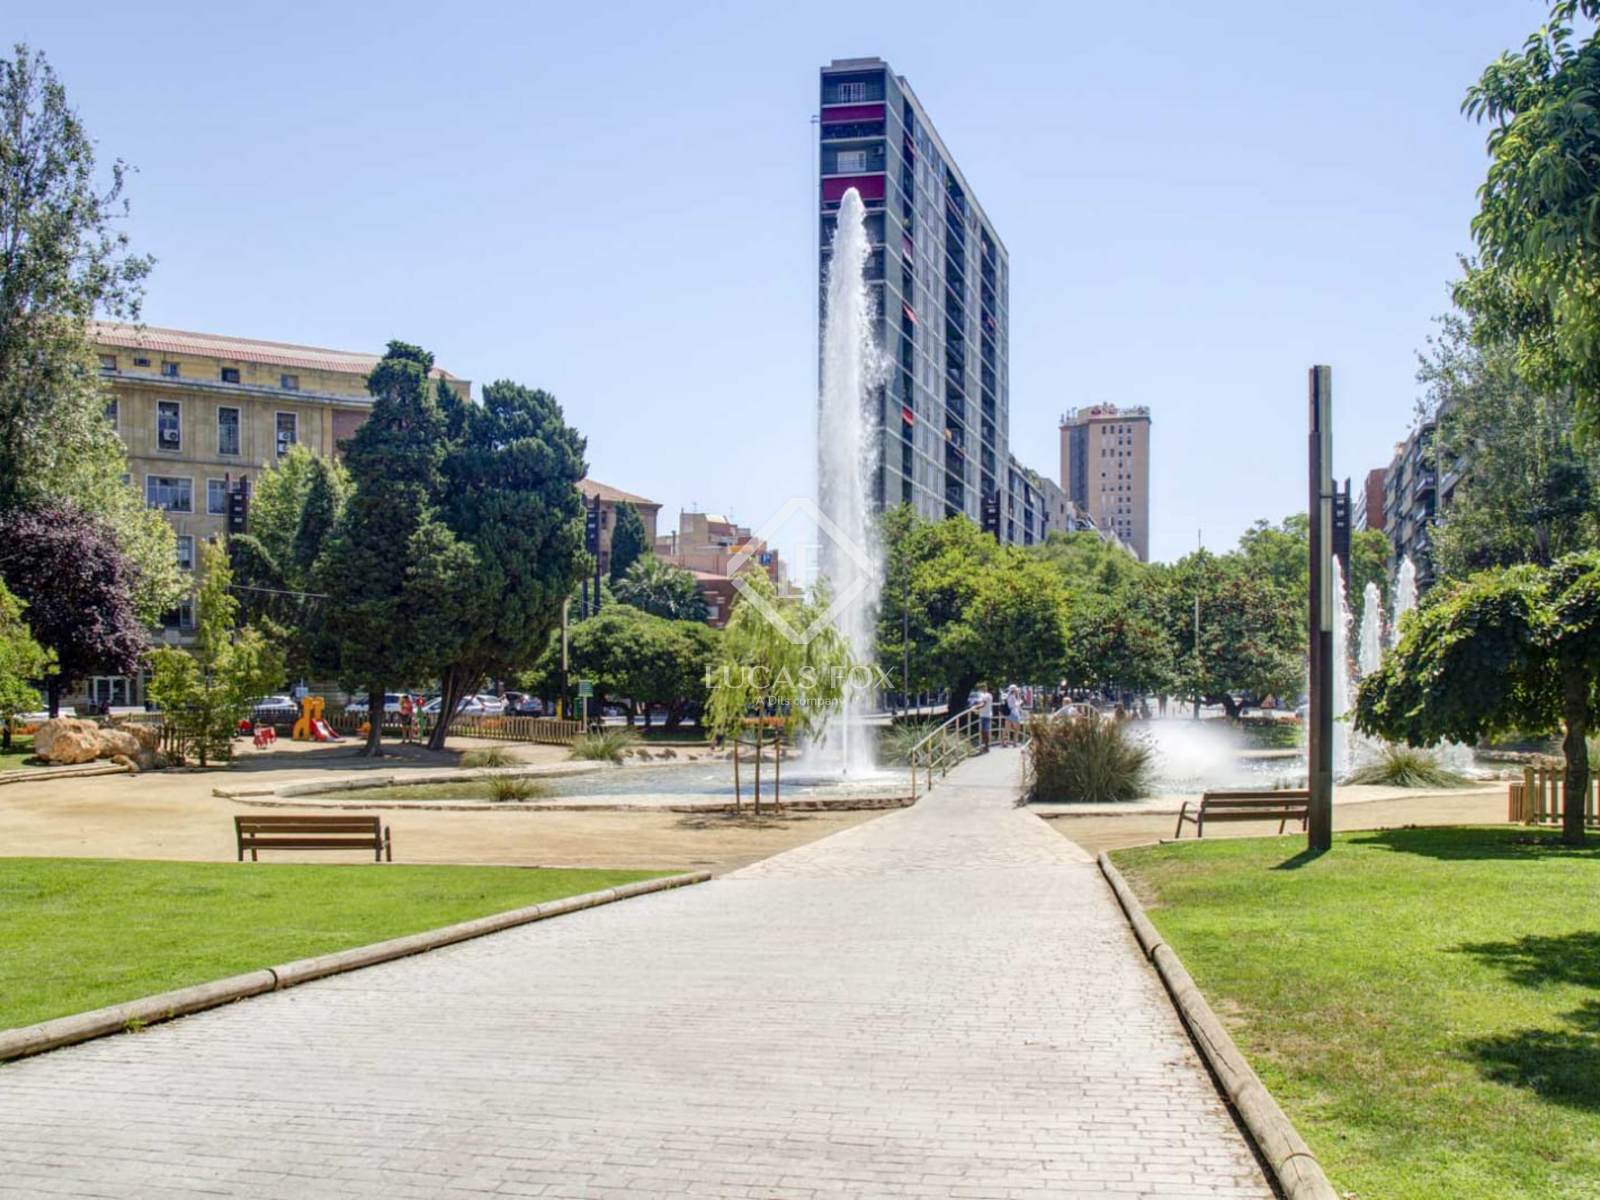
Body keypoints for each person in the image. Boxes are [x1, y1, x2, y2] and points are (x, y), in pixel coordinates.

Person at [975, 683, 994, 752]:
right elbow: (980, 703)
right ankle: (984, 746)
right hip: (982, 715)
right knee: (983, 732)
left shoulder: (988, 695)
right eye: (980, 687)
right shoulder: (982, 695)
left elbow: (983, 704)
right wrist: (977, 708)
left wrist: (975, 707)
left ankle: (987, 747)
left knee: (986, 732)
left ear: (986, 687)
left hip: (986, 715)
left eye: (983, 687)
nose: (981, 689)